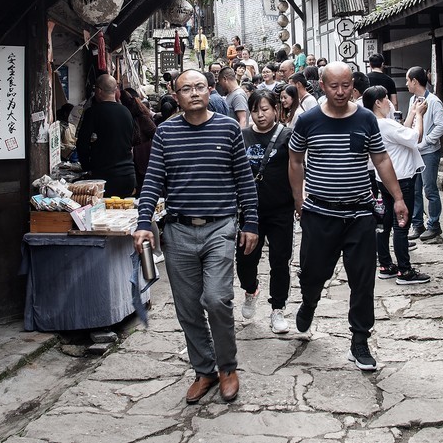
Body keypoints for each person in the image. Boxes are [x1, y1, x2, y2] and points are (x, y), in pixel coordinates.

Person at [132, 69, 259, 404]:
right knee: (187, 308)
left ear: (209, 90)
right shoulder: (165, 132)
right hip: (178, 231)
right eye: (186, 89)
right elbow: (153, 179)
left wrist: (251, 223)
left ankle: (227, 368)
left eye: (199, 86)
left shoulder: (228, 128)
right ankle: (205, 370)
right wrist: (144, 221)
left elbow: (244, 179)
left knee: (217, 299)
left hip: (220, 227)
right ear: (177, 97)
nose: (194, 93)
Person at [287, 62, 410, 371]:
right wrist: (298, 200)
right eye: (334, 86)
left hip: (359, 213)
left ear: (353, 85)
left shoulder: (366, 119)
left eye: (346, 86)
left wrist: (398, 198)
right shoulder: (308, 121)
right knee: (313, 273)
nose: (340, 92)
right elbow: (296, 160)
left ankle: (359, 340)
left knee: (363, 280)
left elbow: (381, 158)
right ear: (322, 86)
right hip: (319, 213)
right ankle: (309, 302)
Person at [236, 88, 295, 335]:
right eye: (255, 110)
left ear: (275, 110)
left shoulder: (287, 136)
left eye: (265, 109)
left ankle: (278, 308)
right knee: (245, 260)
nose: (260, 115)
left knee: (280, 260)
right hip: (250, 212)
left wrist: (300, 201)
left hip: (281, 209)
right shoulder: (242, 136)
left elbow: (298, 169)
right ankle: (251, 290)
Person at [362, 86, 431, 285]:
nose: (390, 103)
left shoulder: (374, 123)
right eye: (386, 99)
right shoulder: (385, 124)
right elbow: (415, 137)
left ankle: (386, 265)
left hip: (383, 178)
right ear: (378, 103)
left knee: (384, 224)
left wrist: (412, 114)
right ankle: (405, 271)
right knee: (401, 224)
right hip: (401, 178)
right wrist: (420, 115)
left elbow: (402, 132)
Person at [404, 67, 443, 242]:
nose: (406, 84)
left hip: (429, 151)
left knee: (429, 189)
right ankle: (417, 224)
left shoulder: (434, 101)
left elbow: (441, 126)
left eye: (408, 80)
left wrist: (427, 140)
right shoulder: (412, 100)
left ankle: (434, 225)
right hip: (415, 151)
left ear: (415, 81)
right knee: (415, 190)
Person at [75, 74, 137, 197]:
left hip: (104, 178)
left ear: (98, 91)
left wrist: (87, 167)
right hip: (128, 176)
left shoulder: (92, 113)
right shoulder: (126, 112)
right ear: (115, 90)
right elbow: (132, 142)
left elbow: (82, 144)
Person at [121, 87, 158, 190]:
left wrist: (137, 149)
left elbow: (157, 137)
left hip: (141, 165)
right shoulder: (125, 118)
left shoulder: (142, 118)